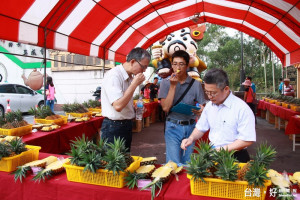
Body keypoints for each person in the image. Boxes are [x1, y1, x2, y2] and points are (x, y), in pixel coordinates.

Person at [181, 68, 256, 163]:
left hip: (235, 156)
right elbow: (200, 127)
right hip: (214, 154)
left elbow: (247, 139)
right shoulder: (209, 106)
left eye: (213, 93)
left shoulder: (242, 109)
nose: (209, 96)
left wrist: (222, 150)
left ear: (226, 89)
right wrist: (191, 138)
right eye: (207, 92)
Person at [158, 50, 205, 166]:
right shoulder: (165, 82)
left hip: (190, 127)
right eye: (174, 64)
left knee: (189, 163)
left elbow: (202, 105)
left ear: (187, 65)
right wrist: (173, 87)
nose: (177, 67)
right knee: (173, 163)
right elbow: (165, 108)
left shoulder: (196, 84)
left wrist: (200, 110)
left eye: (181, 64)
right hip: (172, 126)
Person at [100, 47, 151, 151]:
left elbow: (124, 101)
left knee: (124, 160)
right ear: (132, 62)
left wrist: (133, 108)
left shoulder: (130, 77)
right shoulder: (114, 76)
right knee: (113, 164)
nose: (144, 70)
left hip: (125, 124)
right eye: (143, 67)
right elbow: (118, 106)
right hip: (113, 126)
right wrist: (134, 84)